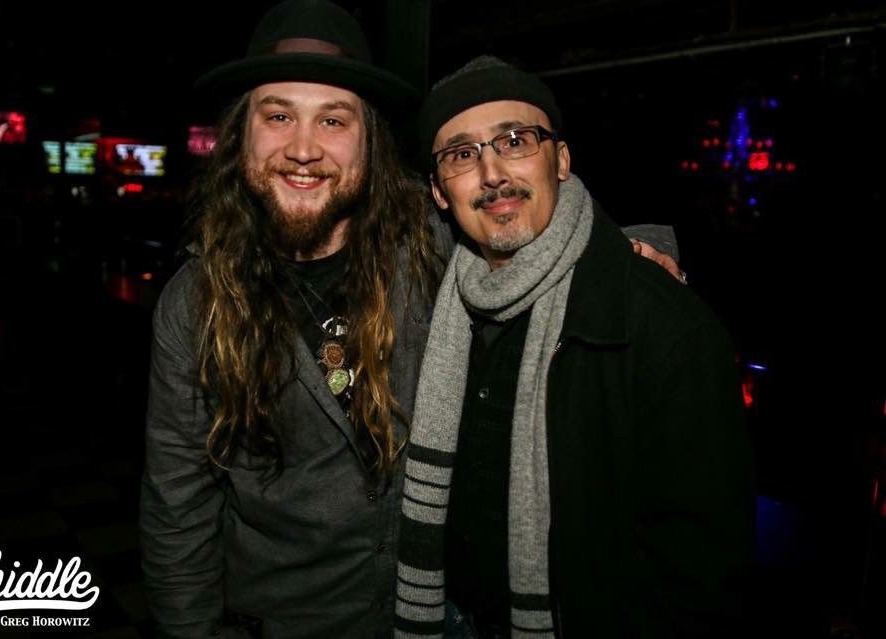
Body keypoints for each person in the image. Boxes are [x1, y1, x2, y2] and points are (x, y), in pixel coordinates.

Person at [140, 3, 681, 636]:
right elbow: (178, 507)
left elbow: (534, 224)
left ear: (368, 138)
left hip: (438, 614)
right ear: (241, 136)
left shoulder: (432, 244)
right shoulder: (195, 302)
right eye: (279, 116)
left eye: (334, 120)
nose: (305, 148)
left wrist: (636, 251)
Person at [394, 56, 754, 639]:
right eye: (462, 155)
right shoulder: (427, 297)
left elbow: (703, 573)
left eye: (515, 140)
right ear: (439, 191)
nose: (491, 173)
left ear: (560, 159)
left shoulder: (658, 320)